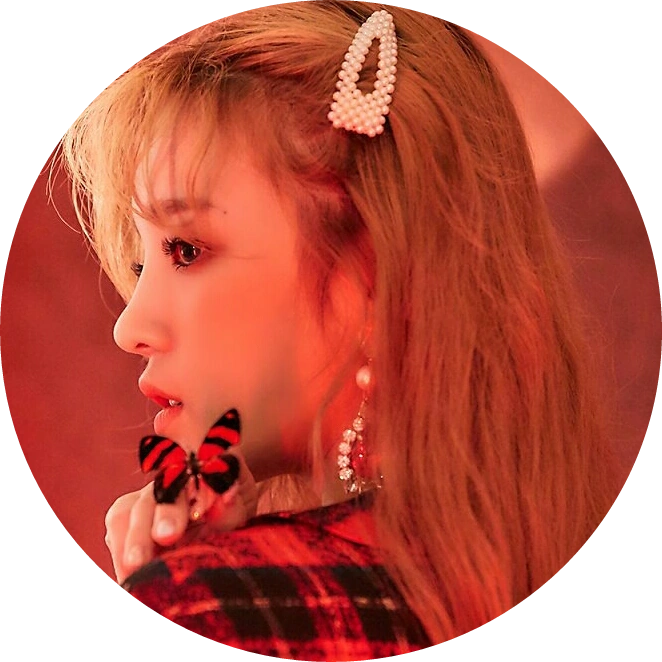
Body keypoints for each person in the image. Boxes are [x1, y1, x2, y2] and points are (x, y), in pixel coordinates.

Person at [55, 1, 623, 657]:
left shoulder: (227, 604)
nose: (130, 326)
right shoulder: (534, 553)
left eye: (187, 249)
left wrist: (192, 594)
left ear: (372, 285)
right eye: (140, 264)